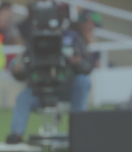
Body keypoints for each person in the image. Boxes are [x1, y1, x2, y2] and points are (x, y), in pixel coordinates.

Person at [6, 8, 94, 144]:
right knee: (23, 96)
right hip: (40, 90)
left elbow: (87, 66)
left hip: (67, 88)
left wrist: (77, 63)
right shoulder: (34, 41)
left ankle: (78, 131)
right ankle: (17, 134)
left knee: (83, 81)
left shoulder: (72, 38)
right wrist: (19, 70)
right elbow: (23, 70)